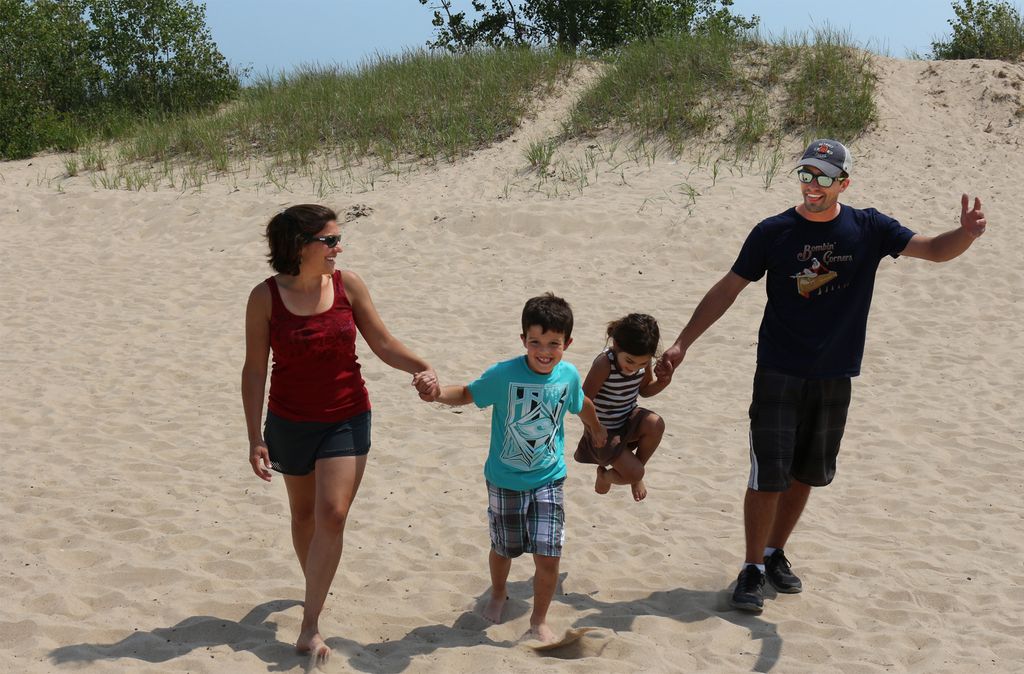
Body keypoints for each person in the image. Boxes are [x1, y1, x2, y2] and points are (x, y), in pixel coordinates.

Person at [656, 139, 988, 613]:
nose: (813, 185)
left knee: (807, 472)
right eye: (806, 175)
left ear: (843, 183)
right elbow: (729, 287)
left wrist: (965, 235)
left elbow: (934, 250)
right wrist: (683, 341)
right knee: (767, 474)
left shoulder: (869, 227)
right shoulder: (774, 231)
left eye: (824, 177)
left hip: (835, 373)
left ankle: (773, 554)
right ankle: (750, 569)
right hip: (779, 370)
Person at [241, 204, 439, 662]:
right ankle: (316, 585)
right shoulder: (265, 297)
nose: (338, 248)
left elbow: (383, 342)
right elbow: (254, 371)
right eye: (329, 240)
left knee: (332, 513)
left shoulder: (348, 285)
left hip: (346, 415)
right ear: (299, 246)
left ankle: (310, 624)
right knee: (304, 517)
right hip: (289, 422)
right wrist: (255, 437)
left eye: (337, 239)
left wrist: (422, 367)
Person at [422, 293, 607, 644]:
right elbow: (466, 393)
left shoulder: (567, 375)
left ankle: (538, 620)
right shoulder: (504, 374)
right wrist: (435, 395)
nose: (544, 351)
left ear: (567, 343)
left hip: (549, 478)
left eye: (554, 343)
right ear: (522, 340)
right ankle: (497, 592)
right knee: (504, 548)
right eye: (535, 342)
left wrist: (595, 428)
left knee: (548, 555)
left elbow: (581, 404)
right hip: (505, 480)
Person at [574, 313, 671, 502]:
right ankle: (606, 476)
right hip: (602, 432)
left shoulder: (643, 361)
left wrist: (663, 382)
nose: (634, 368)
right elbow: (581, 401)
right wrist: (594, 427)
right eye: (629, 361)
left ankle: (634, 475)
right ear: (616, 345)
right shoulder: (604, 364)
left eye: (642, 363)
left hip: (627, 420)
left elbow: (644, 390)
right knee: (636, 472)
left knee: (656, 424)